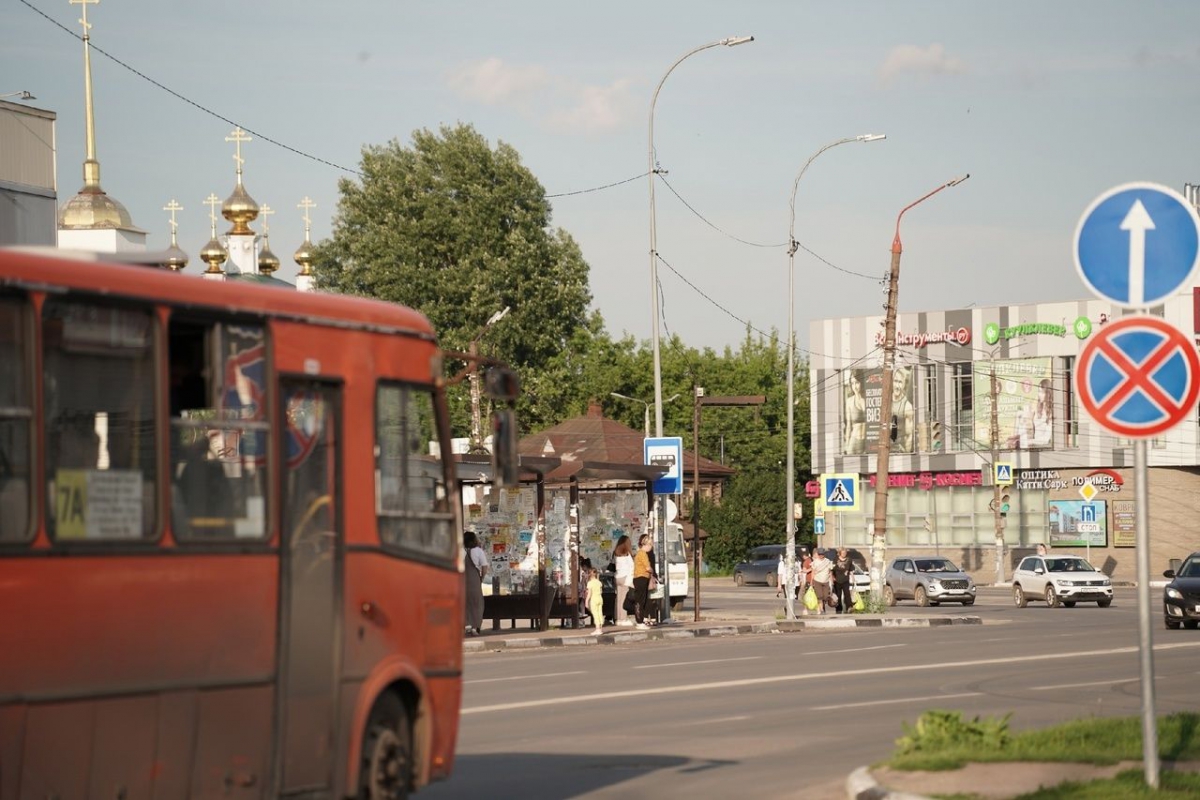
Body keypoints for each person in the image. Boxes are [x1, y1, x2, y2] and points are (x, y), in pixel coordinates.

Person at [463, 531, 488, 636]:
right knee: (477, 603)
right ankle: (475, 626)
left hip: (462, 580)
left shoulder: (461, 551)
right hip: (475, 580)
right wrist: (482, 577)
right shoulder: (478, 551)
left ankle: (466, 624)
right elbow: (484, 566)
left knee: (465, 602)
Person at [632, 533, 655, 630]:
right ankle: (639, 621)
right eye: (650, 544)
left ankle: (640, 621)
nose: (651, 547)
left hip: (640, 578)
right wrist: (652, 571)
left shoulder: (639, 553)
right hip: (641, 578)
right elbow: (648, 567)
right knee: (640, 601)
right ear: (645, 544)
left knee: (641, 600)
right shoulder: (643, 554)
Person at [613, 535, 635, 627]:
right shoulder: (627, 554)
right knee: (624, 599)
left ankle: (618, 618)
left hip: (617, 577)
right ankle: (623, 619)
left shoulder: (616, 553)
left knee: (619, 598)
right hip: (625, 577)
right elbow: (631, 566)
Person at [843, 371, 867, 455]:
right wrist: (846, 445)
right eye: (852, 383)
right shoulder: (849, 401)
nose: (855, 387)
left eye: (856, 383)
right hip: (854, 441)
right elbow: (848, 426)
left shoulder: (868, 399)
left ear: (861, 382)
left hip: (868, 441)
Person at [810, 548, 833, 615]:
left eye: (822, 554)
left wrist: (832, 582)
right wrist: (812, 581)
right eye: (819, 554)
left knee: (825, 596)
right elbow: (813, 572)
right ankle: (821, 609)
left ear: (824, 554)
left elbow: (830, 572)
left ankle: (822, 606)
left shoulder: (828, 561)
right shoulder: (815, 562)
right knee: (819, 596)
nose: (821, 555)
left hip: (826, 581)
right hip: (817, 580)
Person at [832, 548, 854, 614]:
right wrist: (832, 578)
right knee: (838, 595)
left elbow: (851, 569)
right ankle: (838, 609)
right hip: (837, 580)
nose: (844, 554)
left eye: (845, 553)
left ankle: (849, 608)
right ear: (840, 553)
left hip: (845, 580)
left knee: (847, 594)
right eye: (843, 553)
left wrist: (853, 579)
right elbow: (832, 569)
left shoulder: (849, 560)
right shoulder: (835, 559)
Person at [586, 567, 605, 635]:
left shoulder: (590, 583)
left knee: (595, 614)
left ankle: (597, 629)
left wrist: (586, 601)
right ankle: (601, 628)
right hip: (600, 598)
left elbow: (589, 594)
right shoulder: (599, 582)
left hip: (593, 600)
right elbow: (601, 591)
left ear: (589, 575)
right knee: (600, 613)